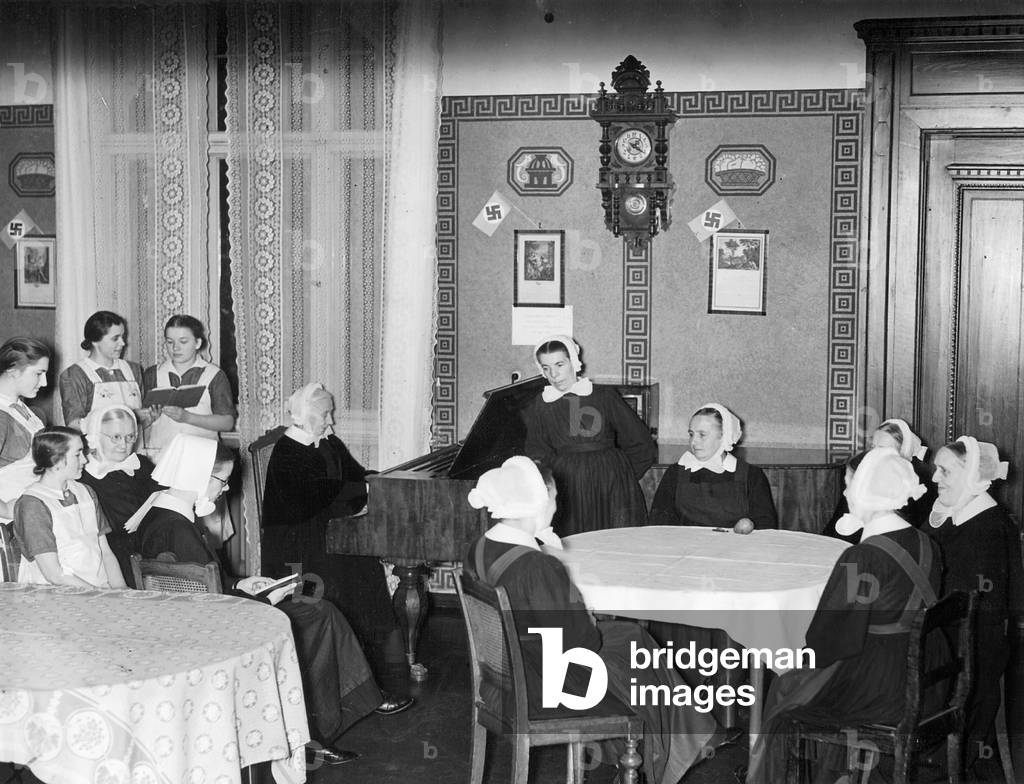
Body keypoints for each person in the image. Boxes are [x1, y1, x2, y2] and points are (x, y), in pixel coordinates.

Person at [84, 426, 412, 767]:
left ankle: (322, 721)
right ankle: (313, 731)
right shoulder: (177, 527)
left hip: (195, 622)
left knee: (315, 610)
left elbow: (197, 581)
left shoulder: (161, 514)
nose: (225, 489)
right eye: (221, 481)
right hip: (216, 630)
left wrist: (243, 584)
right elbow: (207, 602)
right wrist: (266, 599)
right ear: (197, 475)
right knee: (320, 614)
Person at [463, 456, 718, 784]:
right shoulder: (537, 567)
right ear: (536, 502)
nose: (556, 507)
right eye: (554, 498)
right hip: (547, 684)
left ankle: (673, 743)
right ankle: (665, 752)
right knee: (638, 652)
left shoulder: (481, 546)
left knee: (633, 639)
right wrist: (585, 616)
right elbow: (581, 643)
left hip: (506, 675)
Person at [746, 446, 940, 784]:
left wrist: (799, 653)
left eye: (850, 484)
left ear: (869, 490)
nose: (846, 493)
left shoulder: (862, 557)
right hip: (929, 676)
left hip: (882, 690)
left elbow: (828, 639)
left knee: (785, 689)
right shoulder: (927, 543)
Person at [261, 382, 398, 649]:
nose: (331, 420)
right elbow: (313, 495)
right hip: (295, 538)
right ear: (307, 416)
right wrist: (362, 490)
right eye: (326, 414)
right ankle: (338, 644)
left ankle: (365, 647)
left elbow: (355, 473)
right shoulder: (287, 451)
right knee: (343, 570)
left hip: (324, 525)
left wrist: (377, 481)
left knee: (363, 560)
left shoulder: (328, 442)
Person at [927, 436, 1024, 780]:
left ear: (970, 476)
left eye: (944, 471)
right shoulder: (951, 512)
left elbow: (978, 612)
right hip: (951, 635)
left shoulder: (988, 527)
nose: (935, 478)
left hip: (974, 649)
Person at [521, 335, 656, 536]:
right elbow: (538, 453)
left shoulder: (604, 396)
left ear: (573, 362)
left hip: (611, 486)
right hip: (568, 489)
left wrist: (623, 476)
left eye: (560, 364)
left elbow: (641, 443)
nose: (554, 374)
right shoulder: (539, 406)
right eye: (546, 368)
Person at [78, 405, 228, 585]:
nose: (123, 445)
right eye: (116, 437)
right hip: (116, 559)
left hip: (153, 545)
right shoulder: (85, 478)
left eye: (130, 437)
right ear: (95, 437)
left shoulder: (140, 464)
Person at [13, 427, 128, 588]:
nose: (84, 460)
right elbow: (54, 575)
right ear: (56, 459)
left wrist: (121, 591)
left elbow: (105, 552)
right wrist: (100, 596)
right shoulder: (33, 504)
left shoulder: (86, 492)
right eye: (77, 454)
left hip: (97, 593)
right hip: (55, 597)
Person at [648, 403, 777, 529]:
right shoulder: (676, 473)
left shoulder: (751, 476)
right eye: (691, 434)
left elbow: (766, 525)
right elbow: (659, 524)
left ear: (723, 436)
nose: (694, 441)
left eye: (702, 435)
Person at [822, 418, 936, 543]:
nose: (874, 454)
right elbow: (836, 523)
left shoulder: (912, 487)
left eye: (882, 449)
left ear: (902, 453)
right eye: (873, 447)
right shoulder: (861, 475)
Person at [143, 314, 236, 454]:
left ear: (197, 343)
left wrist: (187, 418)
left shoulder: (214, 375)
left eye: (183, 341)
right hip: (159, 457)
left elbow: (227, 423)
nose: (175, 348)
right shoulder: (153, 374)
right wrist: (149, 418)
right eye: (170, 342)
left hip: (200, 456)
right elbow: (137, 421)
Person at [58, 311, 148, 431]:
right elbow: (74, 424)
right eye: (115, 338)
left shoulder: (134, 370)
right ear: (95, 341)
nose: (123, 343)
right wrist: (129, 416)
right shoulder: (74, 375)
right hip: (97, 447)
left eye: (122, 336)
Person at [0, 338, 51, 522]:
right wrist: (5, 509)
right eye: (39, 373)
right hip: (11, 522)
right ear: (13, 371)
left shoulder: (21, 408)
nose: (44, 382)